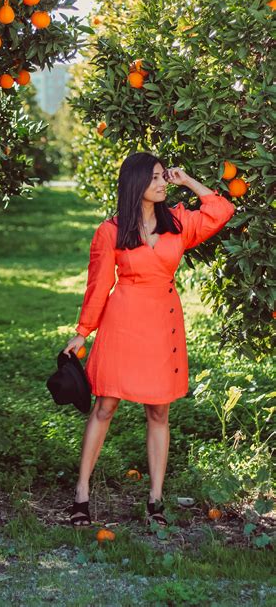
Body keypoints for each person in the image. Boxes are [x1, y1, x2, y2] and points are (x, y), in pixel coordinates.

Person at [63, 151, 236, 528]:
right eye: (156, 177)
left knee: (159, 411)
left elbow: (221, 211)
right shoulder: (110, 230)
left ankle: (156, 500)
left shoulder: (177, 221)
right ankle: (81, 493)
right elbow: (98, 286)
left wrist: (187, 181)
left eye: (163, 177)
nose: (162, 183)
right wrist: (81, 333)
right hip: (122, 324)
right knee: (105, 406)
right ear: (136, 183)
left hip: (162, 325)